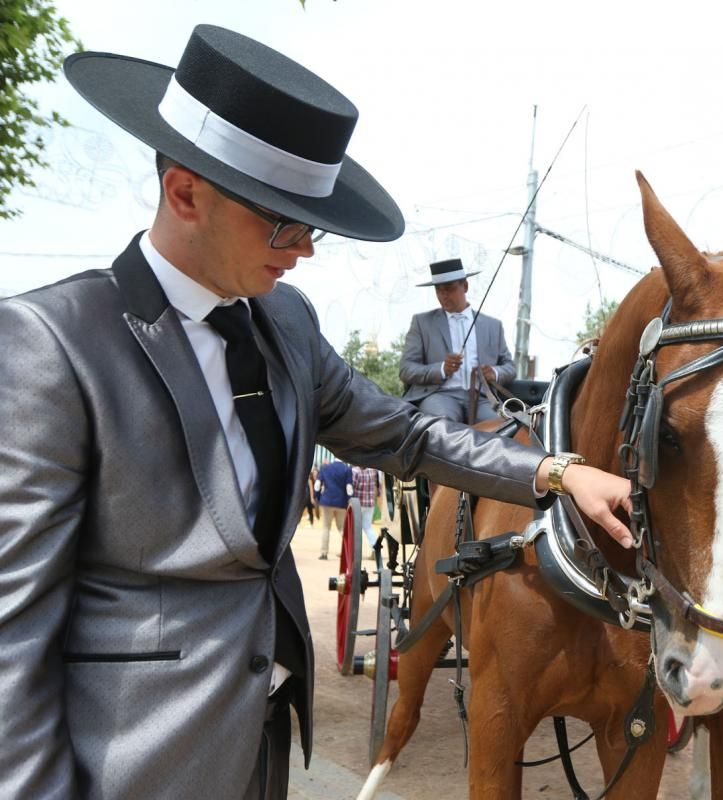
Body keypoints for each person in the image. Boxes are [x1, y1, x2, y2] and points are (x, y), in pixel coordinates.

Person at [0, 25, 633, 800]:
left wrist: (556, 469)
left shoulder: (286, 322)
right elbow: (12, 632)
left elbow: (402, 432)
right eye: (281, 222)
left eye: (314, 227)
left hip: (262, 748)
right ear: (185, 192)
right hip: (129, 763)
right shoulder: (52, 343)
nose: (302, 249)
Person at [399, 258, 517, 423]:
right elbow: (406, 369)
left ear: (465, 286)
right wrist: (441, 369)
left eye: (449, 289)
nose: (443, 295)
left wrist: (495, 373)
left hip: (482, 398)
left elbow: (510, 368)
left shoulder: (493, 326)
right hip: (439, 395)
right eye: (438, 290)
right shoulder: (422, 323)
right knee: (442, 425)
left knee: (505, 429)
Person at [315, 458, 354, 560]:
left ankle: (324, 553)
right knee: (341, 528)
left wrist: (318, 497)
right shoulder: (347, 469)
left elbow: (317, 485)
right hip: (341, 503)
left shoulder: (325, 468)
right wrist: (349, 500)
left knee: (326, 528)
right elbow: (349, 488)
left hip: (327, 501)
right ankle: (349, 551)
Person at [350, 464, 383, 556]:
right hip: (370, 503)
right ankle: (375, 547)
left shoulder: (355, 471)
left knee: (356, 528)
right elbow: (378, 485)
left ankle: (354, 551)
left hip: (358, 503)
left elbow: (353, 487)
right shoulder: (372, 471)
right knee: (368, 527)